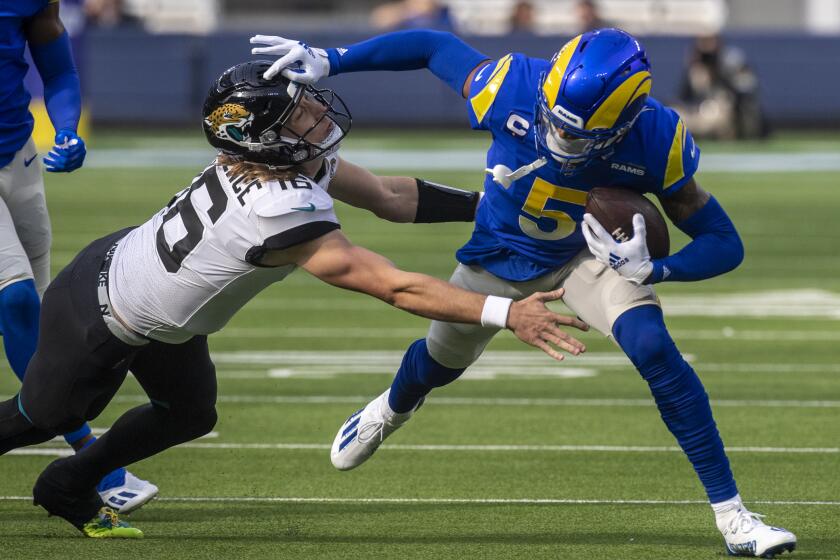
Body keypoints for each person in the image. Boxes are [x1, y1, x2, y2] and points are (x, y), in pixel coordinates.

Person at [249, 28, 797, 558]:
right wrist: (333, 59)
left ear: (625, 122)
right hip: (495, 255)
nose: (560, 138)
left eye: (578, 134)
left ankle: (734, 517)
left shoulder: (657, 137)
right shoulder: (512, 83)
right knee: (439, 363)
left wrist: (657, 270)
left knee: (653, 346)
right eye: (553, 122)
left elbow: (725, 242)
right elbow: (431, 45)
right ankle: (391, 408)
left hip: (583, 259)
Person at [0, 60, 587, 538]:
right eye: (297, 112)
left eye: (304, 102)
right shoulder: (278, 206)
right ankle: (63, 476)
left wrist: (492, 208)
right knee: (45, 417)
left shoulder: (283, 156)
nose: (315, 113)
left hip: (152, 303)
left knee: (190, 413)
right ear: (260, 136)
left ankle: (67, 482)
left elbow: (388, 195)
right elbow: (393, 285)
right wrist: (506, 312)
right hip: (104, 314)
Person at [0, 0, 157, 512]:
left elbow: (58, 65)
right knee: (16, 303)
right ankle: (93, 458)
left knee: (37, 318)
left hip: (18, 155)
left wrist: (66, 126)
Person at [675, 35, 765, 140]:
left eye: (709, 40)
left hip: (727, 112)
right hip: (699, 111)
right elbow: (683, 98)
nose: (706, 45)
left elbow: (746, 89)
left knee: (718, 111)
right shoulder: (695, 67)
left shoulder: (730, 61)